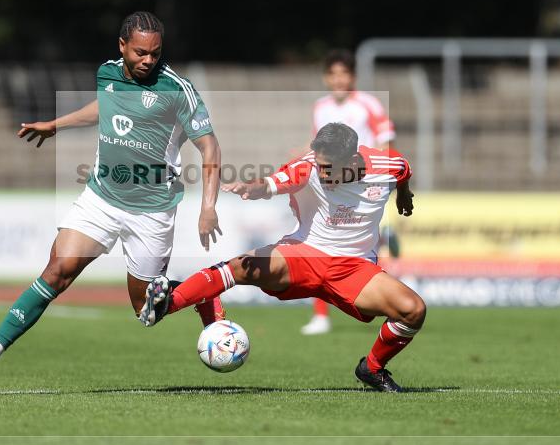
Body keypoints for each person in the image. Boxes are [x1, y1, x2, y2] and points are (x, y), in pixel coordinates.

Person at [0, 11, 225, 385]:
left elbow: (209, 146)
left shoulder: (176, 88)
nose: (148, 60)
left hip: (152, 211)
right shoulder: (107, 73)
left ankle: (202, 292)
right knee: (56, 272)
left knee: (145, 311)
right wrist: (56, 124)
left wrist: (208, 207)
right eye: (141, 52)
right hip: (102, 198)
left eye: (155, 53)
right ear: (122, 46)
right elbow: (104, 108)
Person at [139, 123, 425, 393]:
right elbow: (273, 182)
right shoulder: (308, 166)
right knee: (240, 267)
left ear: (351, 159)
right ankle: (167, 304)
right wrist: (253, 188)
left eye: (328, 168)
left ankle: (372, 369)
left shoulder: (387, 165)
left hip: (354, 268)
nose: (321, 172)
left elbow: (403, 171)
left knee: (412, 310)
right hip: (304, 253)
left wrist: (403, 195)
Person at [302, 49, 398, 335]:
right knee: (320, 243)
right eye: (333, 74)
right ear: (326, 77)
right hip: (331, 187)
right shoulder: (320, 107)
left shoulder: (367, 104)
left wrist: (378, 175)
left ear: (352, 76)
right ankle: (321, 315)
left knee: (365, 246)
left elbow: (386, 142)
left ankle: (384, 297)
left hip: (362, 186)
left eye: (344, 73)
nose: (338, 79)